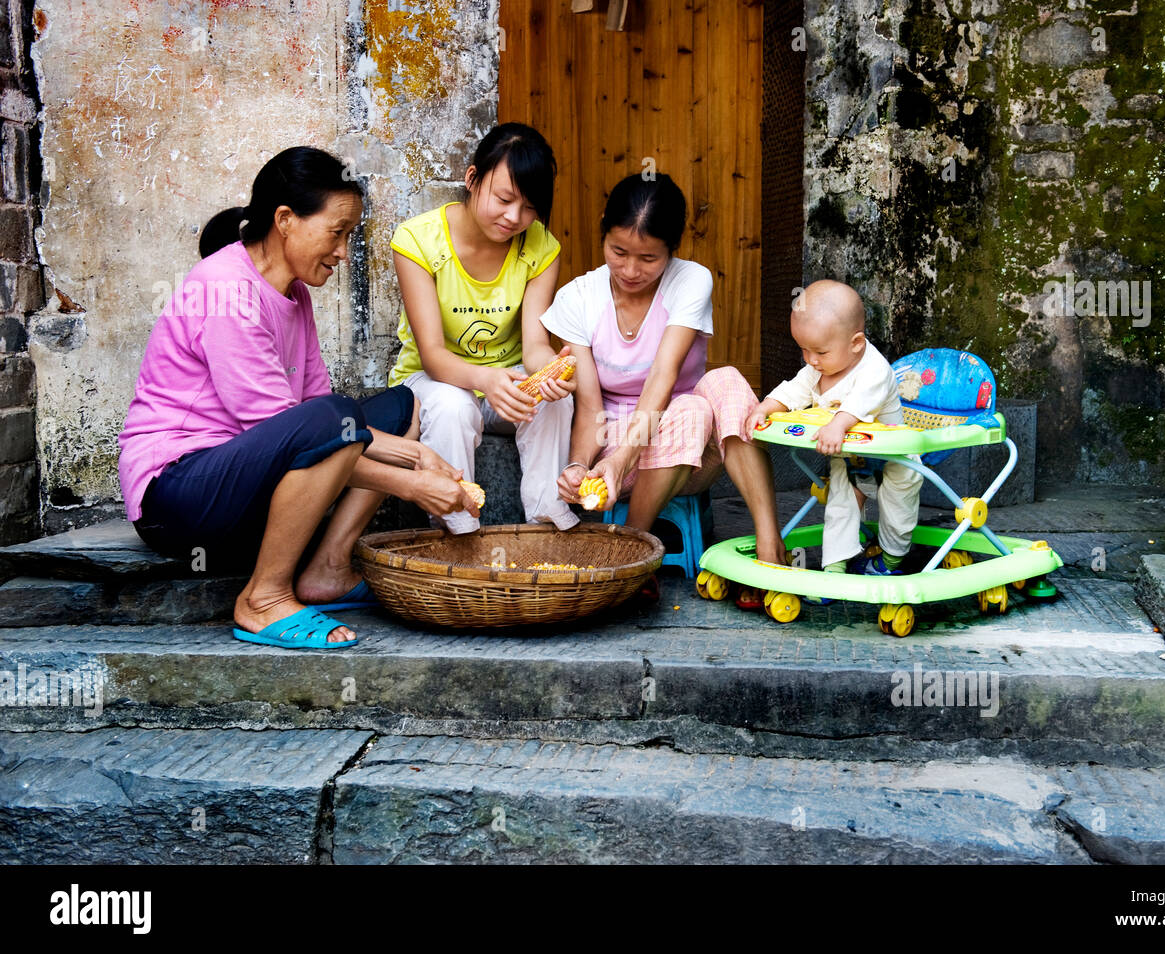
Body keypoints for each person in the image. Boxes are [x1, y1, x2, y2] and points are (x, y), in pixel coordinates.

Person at [118, 146, 476, 650]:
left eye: (349, 235)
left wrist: (416, 452)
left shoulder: (293, 293)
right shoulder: (225, 291)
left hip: (245, 482)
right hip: (179, 497)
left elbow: (322, 417)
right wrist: (411, 484)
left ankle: (328, 568)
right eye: (337, 232)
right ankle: (263, 598)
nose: (343, 252)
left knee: (399, 407)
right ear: (285, 220)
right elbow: (307, 435)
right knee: (331, 420)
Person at [542, 172, 786, 569]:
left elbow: (663, 374)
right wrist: (581, 466)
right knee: (690, 411)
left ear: (673, 248)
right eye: (618, 252)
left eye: (649, 258)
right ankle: (632, 549)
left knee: (719, 386)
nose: (631, 270)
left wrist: (624, 458)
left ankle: (769, 542)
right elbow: (588, 407)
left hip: (692, 452)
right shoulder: (578, 298)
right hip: (614, 449)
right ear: (603, 230)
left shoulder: (691, 280)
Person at [389, 122, 577, 533]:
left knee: (554, 401)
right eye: (504, 199)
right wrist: (486, 380)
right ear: (472, 179)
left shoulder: (541, 247)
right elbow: (434, 357)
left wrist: (553, 371)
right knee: (456, 406)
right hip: (432, 383)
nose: (515, 218)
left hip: (505, 387)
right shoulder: (417, 241)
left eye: (529, 208)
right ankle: (456, 523)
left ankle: (546, 518)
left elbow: (534, 345)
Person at [745, 280, 923, 574]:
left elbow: (860, 401)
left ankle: (891, 559)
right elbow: (794, 391)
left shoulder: (875, 370)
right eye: (804, 350)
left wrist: (838, 423)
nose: (811, 360)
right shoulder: (818, 369)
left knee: (897, 511)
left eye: (820, 352)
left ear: (856, 344)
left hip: (896, 460)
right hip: (851, 457)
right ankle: (834, 566)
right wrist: (765, 407)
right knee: (839, 505)